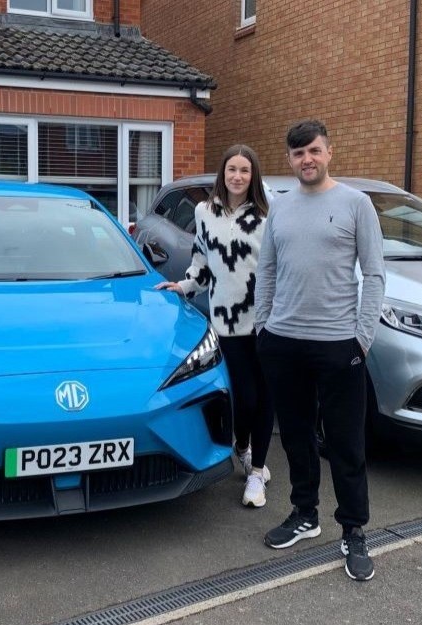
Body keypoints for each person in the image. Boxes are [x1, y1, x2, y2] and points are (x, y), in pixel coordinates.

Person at [254, 120, 385, 581]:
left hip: (338, 345)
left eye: (313, 150)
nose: (306, 159)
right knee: (295, 435)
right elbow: (267, 270)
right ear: (290, 159)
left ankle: (353, 529)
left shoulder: (356, 204)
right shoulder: (280, 208)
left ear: (329, 152)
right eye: (297, 153)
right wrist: (263, 328)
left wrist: (362, 338)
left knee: (346, 442)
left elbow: (375, 274)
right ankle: (304, 513)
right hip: (283, 342)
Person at [156, 144, 275, 508]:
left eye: (245, 170)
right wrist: (185, 285)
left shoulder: (269, 214)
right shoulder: (205, 212)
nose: (237, 176)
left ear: (253, 176)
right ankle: (243, 445)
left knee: (266, 396)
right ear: (223, 174)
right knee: (243, 396)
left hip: (268, 320)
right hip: (228, 320)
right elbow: (202, 261)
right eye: (231, 169)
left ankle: (257, 472)